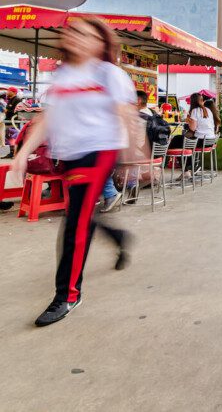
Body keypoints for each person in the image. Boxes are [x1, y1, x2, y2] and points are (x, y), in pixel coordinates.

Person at [11, 17, 139, 327]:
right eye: (72, 32)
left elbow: (127, 116)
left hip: (100, 150)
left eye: (85, 34)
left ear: (100, 43)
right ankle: (120, 236)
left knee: (74, 222)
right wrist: (22, 154)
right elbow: (47, 119)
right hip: (69, 155)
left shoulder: (110, 74)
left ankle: (67, 295)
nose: (75, 37)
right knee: (82, 214)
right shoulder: (64, 76)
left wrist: (135, 154)